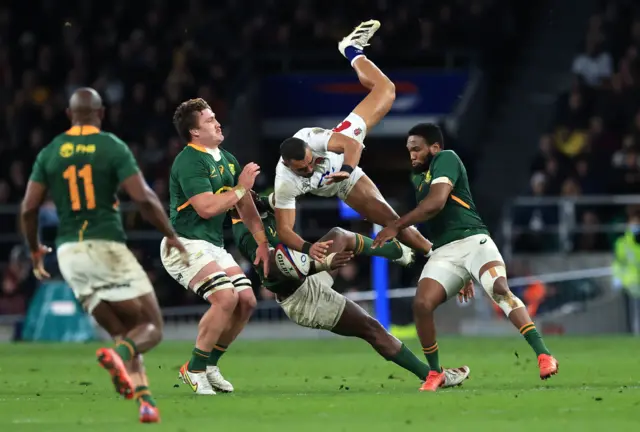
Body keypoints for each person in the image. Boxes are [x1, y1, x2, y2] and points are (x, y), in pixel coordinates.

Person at [21, 87, 185, 422]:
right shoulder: (111, 146)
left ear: (69, 115)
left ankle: (146, 403)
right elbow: (143, 198)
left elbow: (28, 209)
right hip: (105, 245)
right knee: (151, 325)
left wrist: (35, 250)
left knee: (126, 332)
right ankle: (118, 355)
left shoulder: (51, 152)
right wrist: (171, 234)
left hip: (69, 255)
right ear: (102, 114)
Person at [373, 123, 559, 392]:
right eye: (408, 150)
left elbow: (436, 204)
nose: (411, 154)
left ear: (434, 148)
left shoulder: (447, 159)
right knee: (422, 304)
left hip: (474, 241)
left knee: (499, 288)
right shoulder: (417, 178)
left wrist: (396, 225)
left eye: (416, 148)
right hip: (444, 253)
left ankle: (543, 354)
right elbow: (433, 215)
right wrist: (462, 274)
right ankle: (435, 373)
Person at [231, 190, 470, 387]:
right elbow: (272, 270)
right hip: (303, 298)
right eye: (246, 190)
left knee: (339, 235)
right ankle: (435, 375)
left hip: (308, 277)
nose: (252, 192)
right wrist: (321, 263)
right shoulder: (245, 234)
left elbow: (285, 197)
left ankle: (398, 252)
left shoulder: (258, 208)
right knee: (372, 328)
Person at [274, 20, 432, 263]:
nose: (309, 168)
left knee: (386, 89)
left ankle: (352, 50)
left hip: (343, 153)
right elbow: (285, 230)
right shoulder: (284, 182)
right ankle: (435, 253)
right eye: (302, 169)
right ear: (287, 166)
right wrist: (308, 248)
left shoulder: (312, 140)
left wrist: (347, 170)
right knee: (391, 220)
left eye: (309, 162)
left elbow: (352, 145)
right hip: (343, 186)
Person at [161, 98, 269, 395]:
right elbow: (207, 208)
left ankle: (209, 365)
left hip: (212, 245)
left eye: (215, 117)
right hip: (183, 244)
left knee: (246, 300)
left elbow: (245, 206)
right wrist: (241, 187)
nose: (217, 123)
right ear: (194, 132)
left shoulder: (228, 159)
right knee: (225, 297)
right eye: (209, 120)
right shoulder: (189, 160)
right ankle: (194, 369)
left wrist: (262, 243)